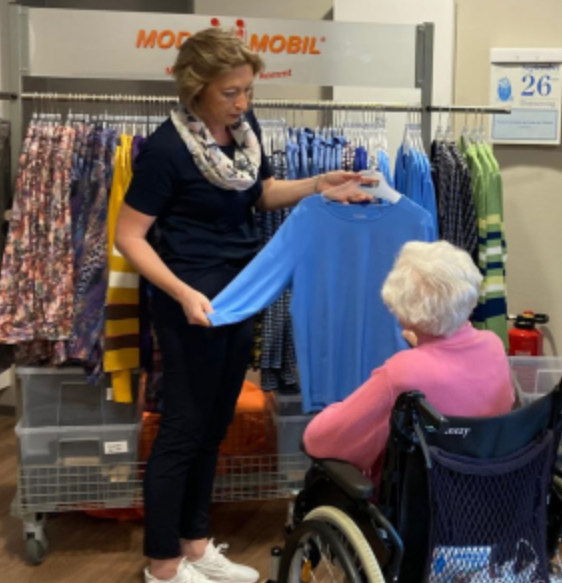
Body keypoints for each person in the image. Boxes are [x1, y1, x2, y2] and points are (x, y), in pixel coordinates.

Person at [114, 28, 372, 583]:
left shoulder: (242, 132)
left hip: (241, 294)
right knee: (182, 429)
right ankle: (163, 567)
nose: (242, 102)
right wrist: (182, 293)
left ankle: (195, 545)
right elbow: (128, 236)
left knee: (214, 425)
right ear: (196, 88)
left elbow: (259, 193)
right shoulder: (165, 150)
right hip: (191, 302)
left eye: (248, 90)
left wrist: (318, 185)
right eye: (230, 92)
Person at [302, 241, 516, 485]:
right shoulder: (493, 346)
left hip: (422, 497)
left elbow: (318, 440)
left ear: (405, 310)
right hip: (485, 489)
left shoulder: (402, 373)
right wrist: (424, 347)